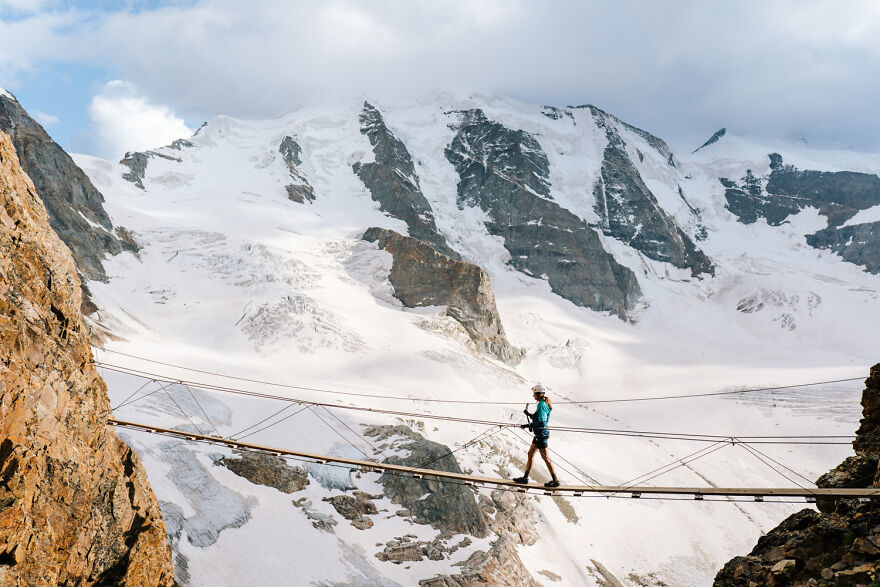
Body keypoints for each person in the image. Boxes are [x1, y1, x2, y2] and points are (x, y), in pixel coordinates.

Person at [513, 383, 560, 488]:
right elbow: (538, 417)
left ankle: (555, 480)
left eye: (534, 393)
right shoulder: (542, 404)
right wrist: (529, 414)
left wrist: (528, 424)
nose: (533, 395)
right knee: (530, 454)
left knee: (546, 458)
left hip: (541, 435)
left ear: (537, 394)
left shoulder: (542, 405)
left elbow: (542, 422)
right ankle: (525, 478)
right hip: (539, 434)